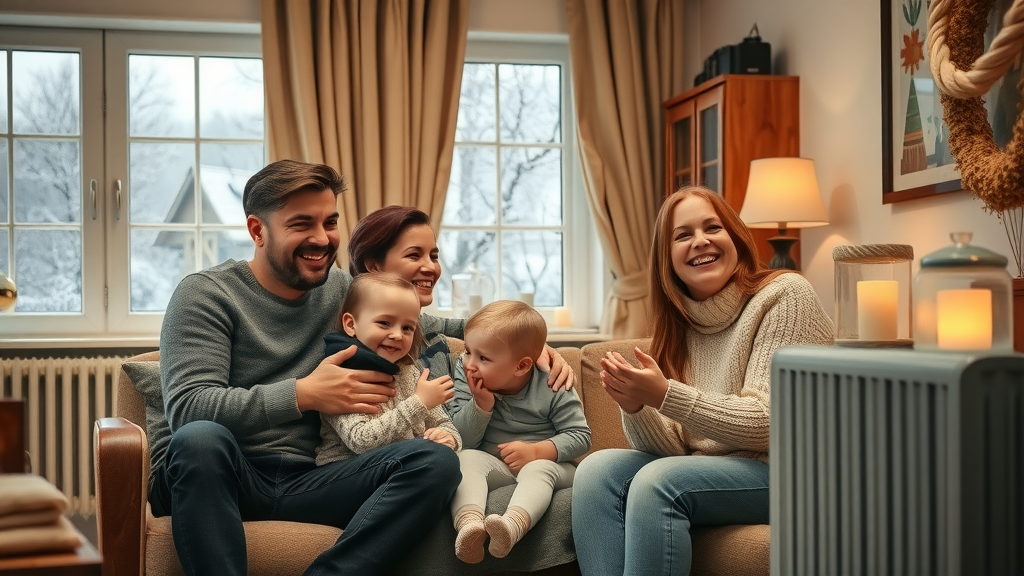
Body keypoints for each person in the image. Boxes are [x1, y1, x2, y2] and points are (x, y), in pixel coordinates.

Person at [153, 159, 461, 576]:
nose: (322, 238)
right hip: (227, 475)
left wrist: (519, 338)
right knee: (200, 438)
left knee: (434, 462)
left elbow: (424, 324)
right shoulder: (206, 295)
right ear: (257, 230)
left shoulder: (341, 290)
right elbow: (189, 408)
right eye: (302, 224)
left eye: (330, 222)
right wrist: (305, 393)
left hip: (314, 477)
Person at [571, 186, 834, 576]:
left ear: (736, 238)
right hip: (716, 473)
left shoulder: (785, 295)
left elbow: (768, 423)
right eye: (683, 235)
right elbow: (674, 447)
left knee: (659, 483)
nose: (701, 241)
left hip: (795, 471)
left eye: (713, 227)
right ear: (668, 259)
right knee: (596, 473)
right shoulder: (680, 327)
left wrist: (665, 394)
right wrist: (637, 406)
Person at [347, 205, 575, 390]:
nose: (431, 267)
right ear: (374, 267)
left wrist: (539, 347)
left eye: (434, 256)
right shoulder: (353, 345)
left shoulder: (427, 325)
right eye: (414, 255)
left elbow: (495, 329)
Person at [446, 301, 591, 564]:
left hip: (553, 467)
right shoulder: (466, 371)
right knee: (464, 457)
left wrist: (537, 451)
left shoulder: (553, 382)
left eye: (483, 358)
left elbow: (580, 436)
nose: (470, 364)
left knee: (537, 469)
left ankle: (511, 527)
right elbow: (462, 440)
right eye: (468, 351)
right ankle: (469, 527)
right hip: (497, 466)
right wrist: (481, 405)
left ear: (522, 366)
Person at [315, 272, 461, 465]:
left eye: (407, 328)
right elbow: (361, 441)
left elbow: (443, 422)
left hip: (402, 465)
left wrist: (448, 437)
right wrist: (419, 403)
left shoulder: (409, 371)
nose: (398, 335)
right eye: (384, 323)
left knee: (452, 460)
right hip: (347, 471)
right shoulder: (343, 374)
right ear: (351, 324)